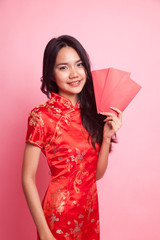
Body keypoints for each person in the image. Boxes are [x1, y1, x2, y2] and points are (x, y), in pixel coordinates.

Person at [22, 35, 122, 240]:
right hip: (57, 217)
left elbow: (95, 176)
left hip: (89, 215)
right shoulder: (41, 116)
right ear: (50, 73)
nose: (74, 74)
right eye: (64, 67)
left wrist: (106, 137)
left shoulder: (94, 112)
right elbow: (27, 178)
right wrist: (43, 231)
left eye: (79, 65)